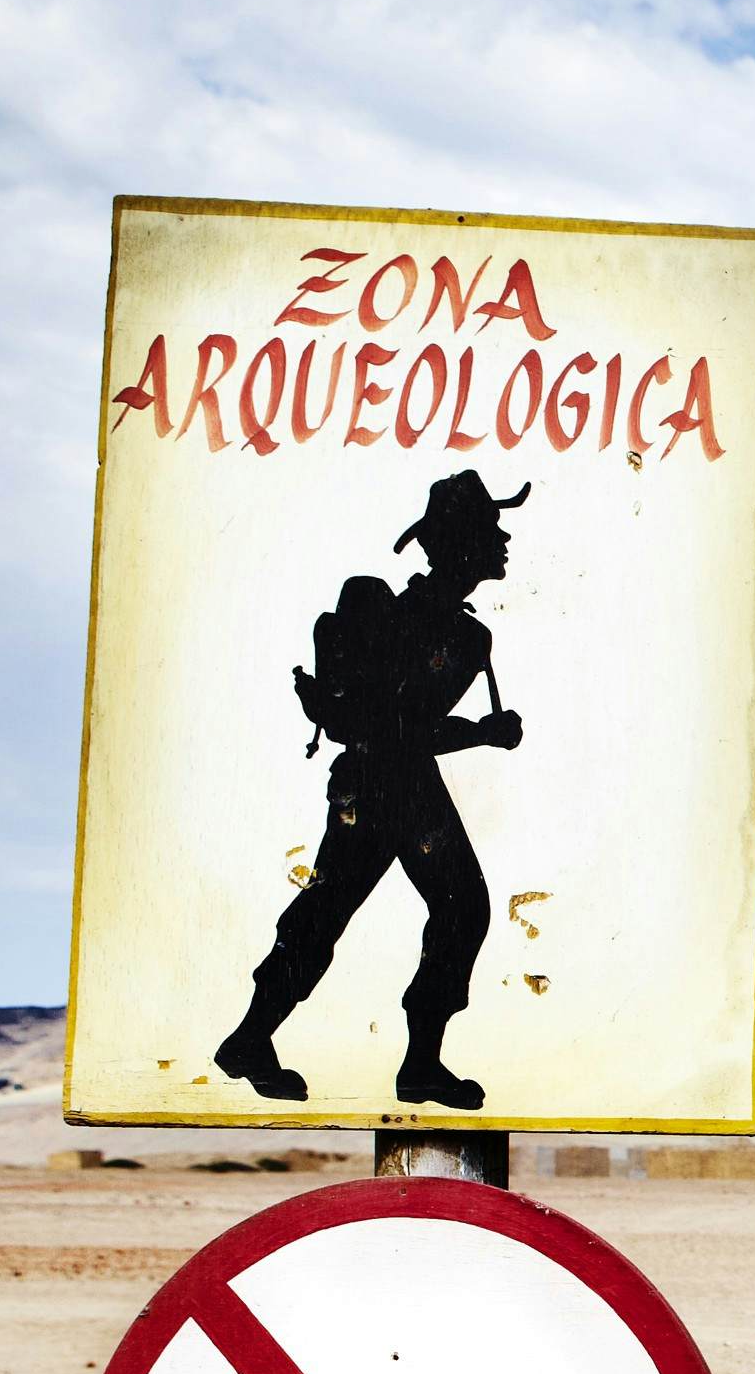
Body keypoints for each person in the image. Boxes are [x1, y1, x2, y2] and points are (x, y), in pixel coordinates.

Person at [213, 472, 528, 1109]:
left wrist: (475, 733)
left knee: (423, 908)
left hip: (397, 785)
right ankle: (271, 1041)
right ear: (459, 543)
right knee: (379, 909)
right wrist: (482, 734)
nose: (502, 539)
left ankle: (400, 1061)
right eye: (489, 529)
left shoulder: (470, 637)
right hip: (382, 783)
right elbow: (398, 727)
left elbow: (413, 728)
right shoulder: (405, 620)